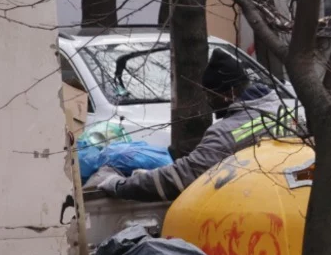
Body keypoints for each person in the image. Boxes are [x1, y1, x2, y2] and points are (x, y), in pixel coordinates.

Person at [90, 51, 287, 202]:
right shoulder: (282, 109)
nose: (209, 102)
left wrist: (119, 186)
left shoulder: (226, 133)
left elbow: (181, 178)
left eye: (211, 96)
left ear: (230, 92)